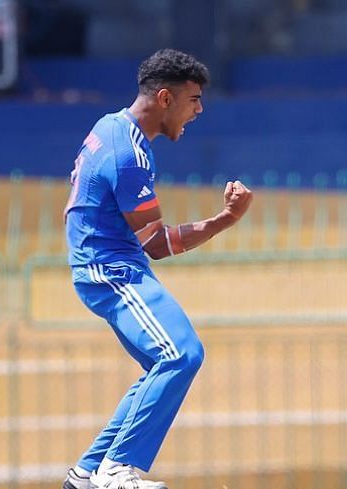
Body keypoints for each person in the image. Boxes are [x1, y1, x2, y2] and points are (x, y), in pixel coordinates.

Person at [62, 49, 253, 489]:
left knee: (160, 366)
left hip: (107, 264)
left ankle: (89, 472)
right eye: (194, 100)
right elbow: (158, 244)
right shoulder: (127, 154)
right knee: (180, 354)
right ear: (165, 99)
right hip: (111, 271)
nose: (199, 110)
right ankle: (117, 469)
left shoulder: (111, 127)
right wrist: (226, 219)